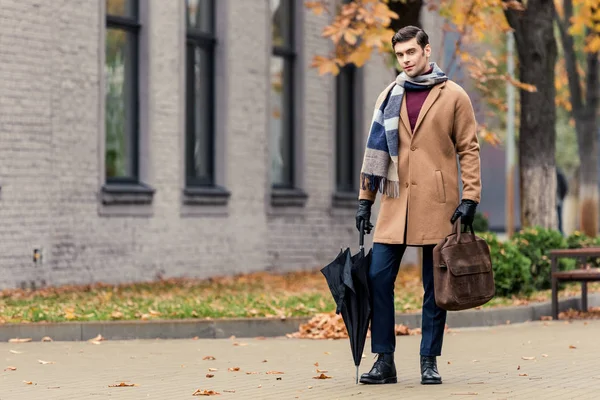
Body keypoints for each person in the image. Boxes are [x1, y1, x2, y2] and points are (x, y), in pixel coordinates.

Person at [355, 26, 481, 385]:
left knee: (435, 285)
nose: (406, 60)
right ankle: (384, 360)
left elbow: (469, 149)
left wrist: (470, 197)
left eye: (411, 52)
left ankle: (429, 360)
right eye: (400, 55)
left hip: (437, 202)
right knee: (378, 279)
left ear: (426, 50)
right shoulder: (388, 95)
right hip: (395, 203)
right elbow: (374, 153)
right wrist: (365, 201)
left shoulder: (454, 95)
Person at [556, 168, 568, 235]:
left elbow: (565, 187)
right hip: (558, 200)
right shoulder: (558, 172)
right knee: (559, 219)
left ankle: (560, 234)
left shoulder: (559, 173)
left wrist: (561, 197)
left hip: (558, 200)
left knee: (559, 219)